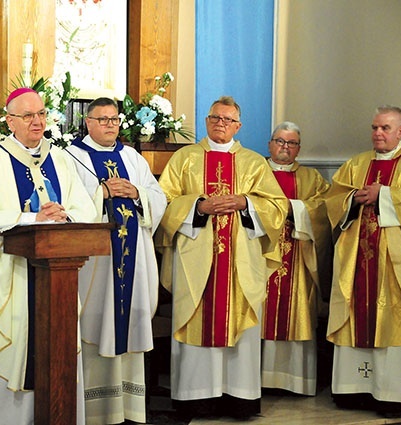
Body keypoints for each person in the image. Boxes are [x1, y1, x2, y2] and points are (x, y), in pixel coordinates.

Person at [0, 88, 97, 425]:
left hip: (56, 275)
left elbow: (85, 209)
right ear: (10, 121)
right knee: (7, 351)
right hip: (7, 275)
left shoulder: (61, 159)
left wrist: (64, 216)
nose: (37, 121)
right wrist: (31, 219)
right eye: (27, 116)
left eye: (41, 114)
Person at [155, 96, 287, 420]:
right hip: (196, 259)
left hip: (240, 261)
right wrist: (197, 207)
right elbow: (162, 201)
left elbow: (278, 206)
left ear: (238, 126)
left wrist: (246, 203)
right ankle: (195, 398)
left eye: (228, 120)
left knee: (240, 325)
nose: (221, 124)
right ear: (206, 121)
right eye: (215, 118)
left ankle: (239, 398)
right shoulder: (184, 159)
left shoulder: (255, 163)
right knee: (196, 319)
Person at [325, 105, 401, 418]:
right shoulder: (357, 163)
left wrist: (384, 196)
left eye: (385, 128)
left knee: (396, 318)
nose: (378, 134)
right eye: (374, 128)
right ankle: (354, 391)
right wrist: (351, 200)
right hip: (358, 260)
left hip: (397, 263)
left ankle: (398, 393)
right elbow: (333, 199)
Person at [65, 97, 167, 424]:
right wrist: (102, 193)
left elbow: (158, 196)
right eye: (103, 119)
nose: (110, 124)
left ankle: (129, 409)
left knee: (126, 323)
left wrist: (137, 193)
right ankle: (96, 410)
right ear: (88, 123)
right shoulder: (71, 157)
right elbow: (66, 201)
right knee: (95, 320)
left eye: (114, 119)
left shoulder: (132, 157)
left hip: (132, 259)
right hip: (95, 264)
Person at [260, 121, 331, 396]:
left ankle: (294, 381)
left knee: (296, 311)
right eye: (280, 141)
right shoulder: (255, 170)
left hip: (298, 255)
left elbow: (323, 210)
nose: (284, 148)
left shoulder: (311, 178)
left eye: (291, 143)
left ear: (299, 149)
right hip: (263, 254)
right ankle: (256, 378)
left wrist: (295, 209)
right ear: (270, 144)